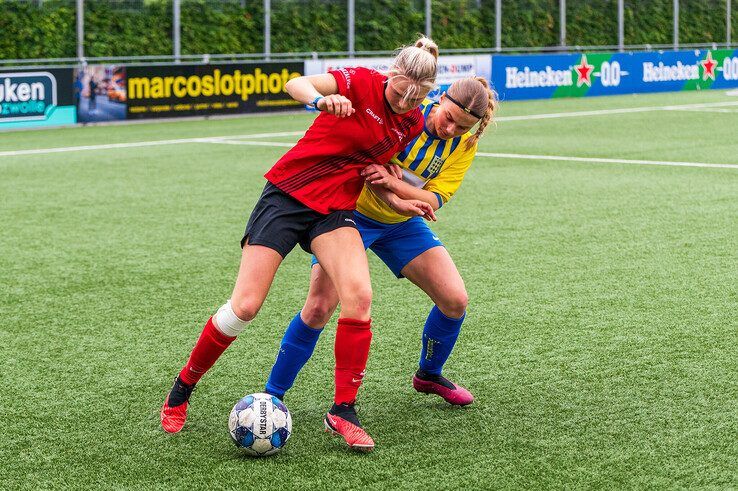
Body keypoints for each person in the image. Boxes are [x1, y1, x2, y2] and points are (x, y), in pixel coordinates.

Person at [160, 37, 440, 453]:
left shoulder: (411, 123)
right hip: (287, 197)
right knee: (246, 306)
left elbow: (372, 175)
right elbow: (296, 82)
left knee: (359, 296)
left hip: (334, 211)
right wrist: (318, 101)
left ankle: (343, 410)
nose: (405, 102)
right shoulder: (361, 82)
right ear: (392, 76)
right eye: (400, 92)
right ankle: (183, 388)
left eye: (416, 97)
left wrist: (401, 200)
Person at [263, 77, 498, 430]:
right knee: (319, 307)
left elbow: (433, 199)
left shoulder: (463, 145)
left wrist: (393, 184)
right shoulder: (408, 111)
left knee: (455, 300)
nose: (450, 129)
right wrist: (399, 191)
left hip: (401, 223)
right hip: (348, 215)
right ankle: (272, 397)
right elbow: (358, 159)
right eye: (448, 118)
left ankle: (429, 375)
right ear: (440, 98)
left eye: (461, 126)